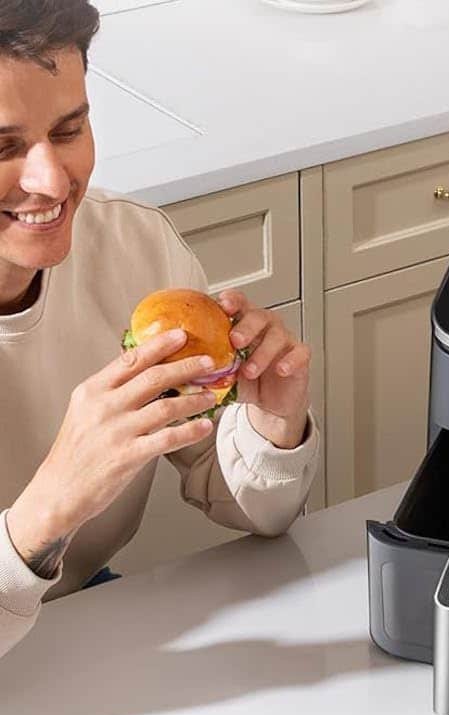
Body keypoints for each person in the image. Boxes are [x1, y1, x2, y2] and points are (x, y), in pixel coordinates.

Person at [0, 1, 319, 660]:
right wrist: (51, 505)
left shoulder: (136, 246)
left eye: (69, 129)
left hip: (89, 617)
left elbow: (255, 509)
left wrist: (274, 427)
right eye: (3, 146)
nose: (52, 181)